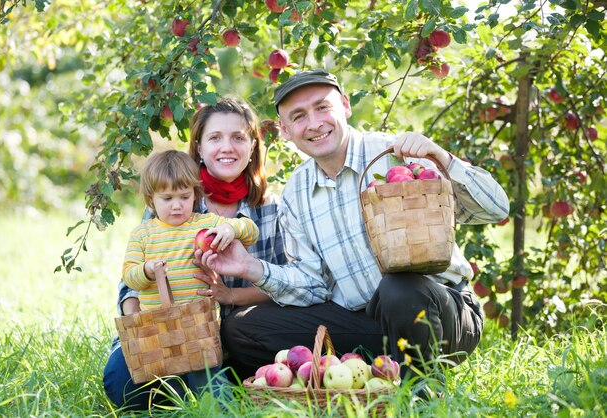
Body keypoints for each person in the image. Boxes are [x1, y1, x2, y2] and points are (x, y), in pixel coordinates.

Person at [197, 69, 510, 390]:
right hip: (365, 320)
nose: (315, 123)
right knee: (242, 329)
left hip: (439, 315)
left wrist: (442, 157)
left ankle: (421, 389)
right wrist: (250, 268)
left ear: (345, 105)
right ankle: (358, 375)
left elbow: (495, 208)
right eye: (299, 116)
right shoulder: (298, 192)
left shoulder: (393, 154)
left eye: (323, 107)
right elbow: (312, 286)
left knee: (398, 289)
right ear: (286, 131)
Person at [103, 97, 287, 410]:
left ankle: (219, 384)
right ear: (199, 147)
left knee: (225, 379)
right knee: (123, 384)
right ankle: (175, 384)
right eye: (215, 138)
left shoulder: (269, 209)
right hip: (166, 330)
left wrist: (227, 295)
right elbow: (130, 284)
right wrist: (146, 333)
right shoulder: (173, 198)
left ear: (253, 146)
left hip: (235, 331)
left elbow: (285, 284)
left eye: (238, 138)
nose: (226, 147)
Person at [122, 149, 259, 310]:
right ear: (151, 198)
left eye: (185, 196)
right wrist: (147, 270)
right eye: (167, 198)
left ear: (195, 194)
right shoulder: (142, 234)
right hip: (158, 324)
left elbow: (252, 231)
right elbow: (129, 277)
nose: (177, 206)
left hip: (202, 321)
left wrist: (231, 228)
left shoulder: (206, 223)